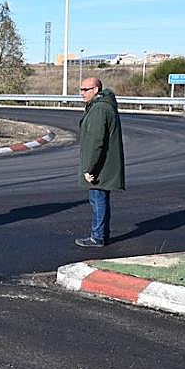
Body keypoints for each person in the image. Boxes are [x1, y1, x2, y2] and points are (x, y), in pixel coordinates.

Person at [75, 76, 125, 247]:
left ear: (96, 90)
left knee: (98, 200)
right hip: (104, 164)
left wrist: (89, 168)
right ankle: (102, 234)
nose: (82, 93)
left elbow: (96, 142)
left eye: (85, 90)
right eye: (81, 89)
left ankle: (97, 237)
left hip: (100, 166)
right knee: (100, 199)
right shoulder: (102, 106)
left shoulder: (99, 109)